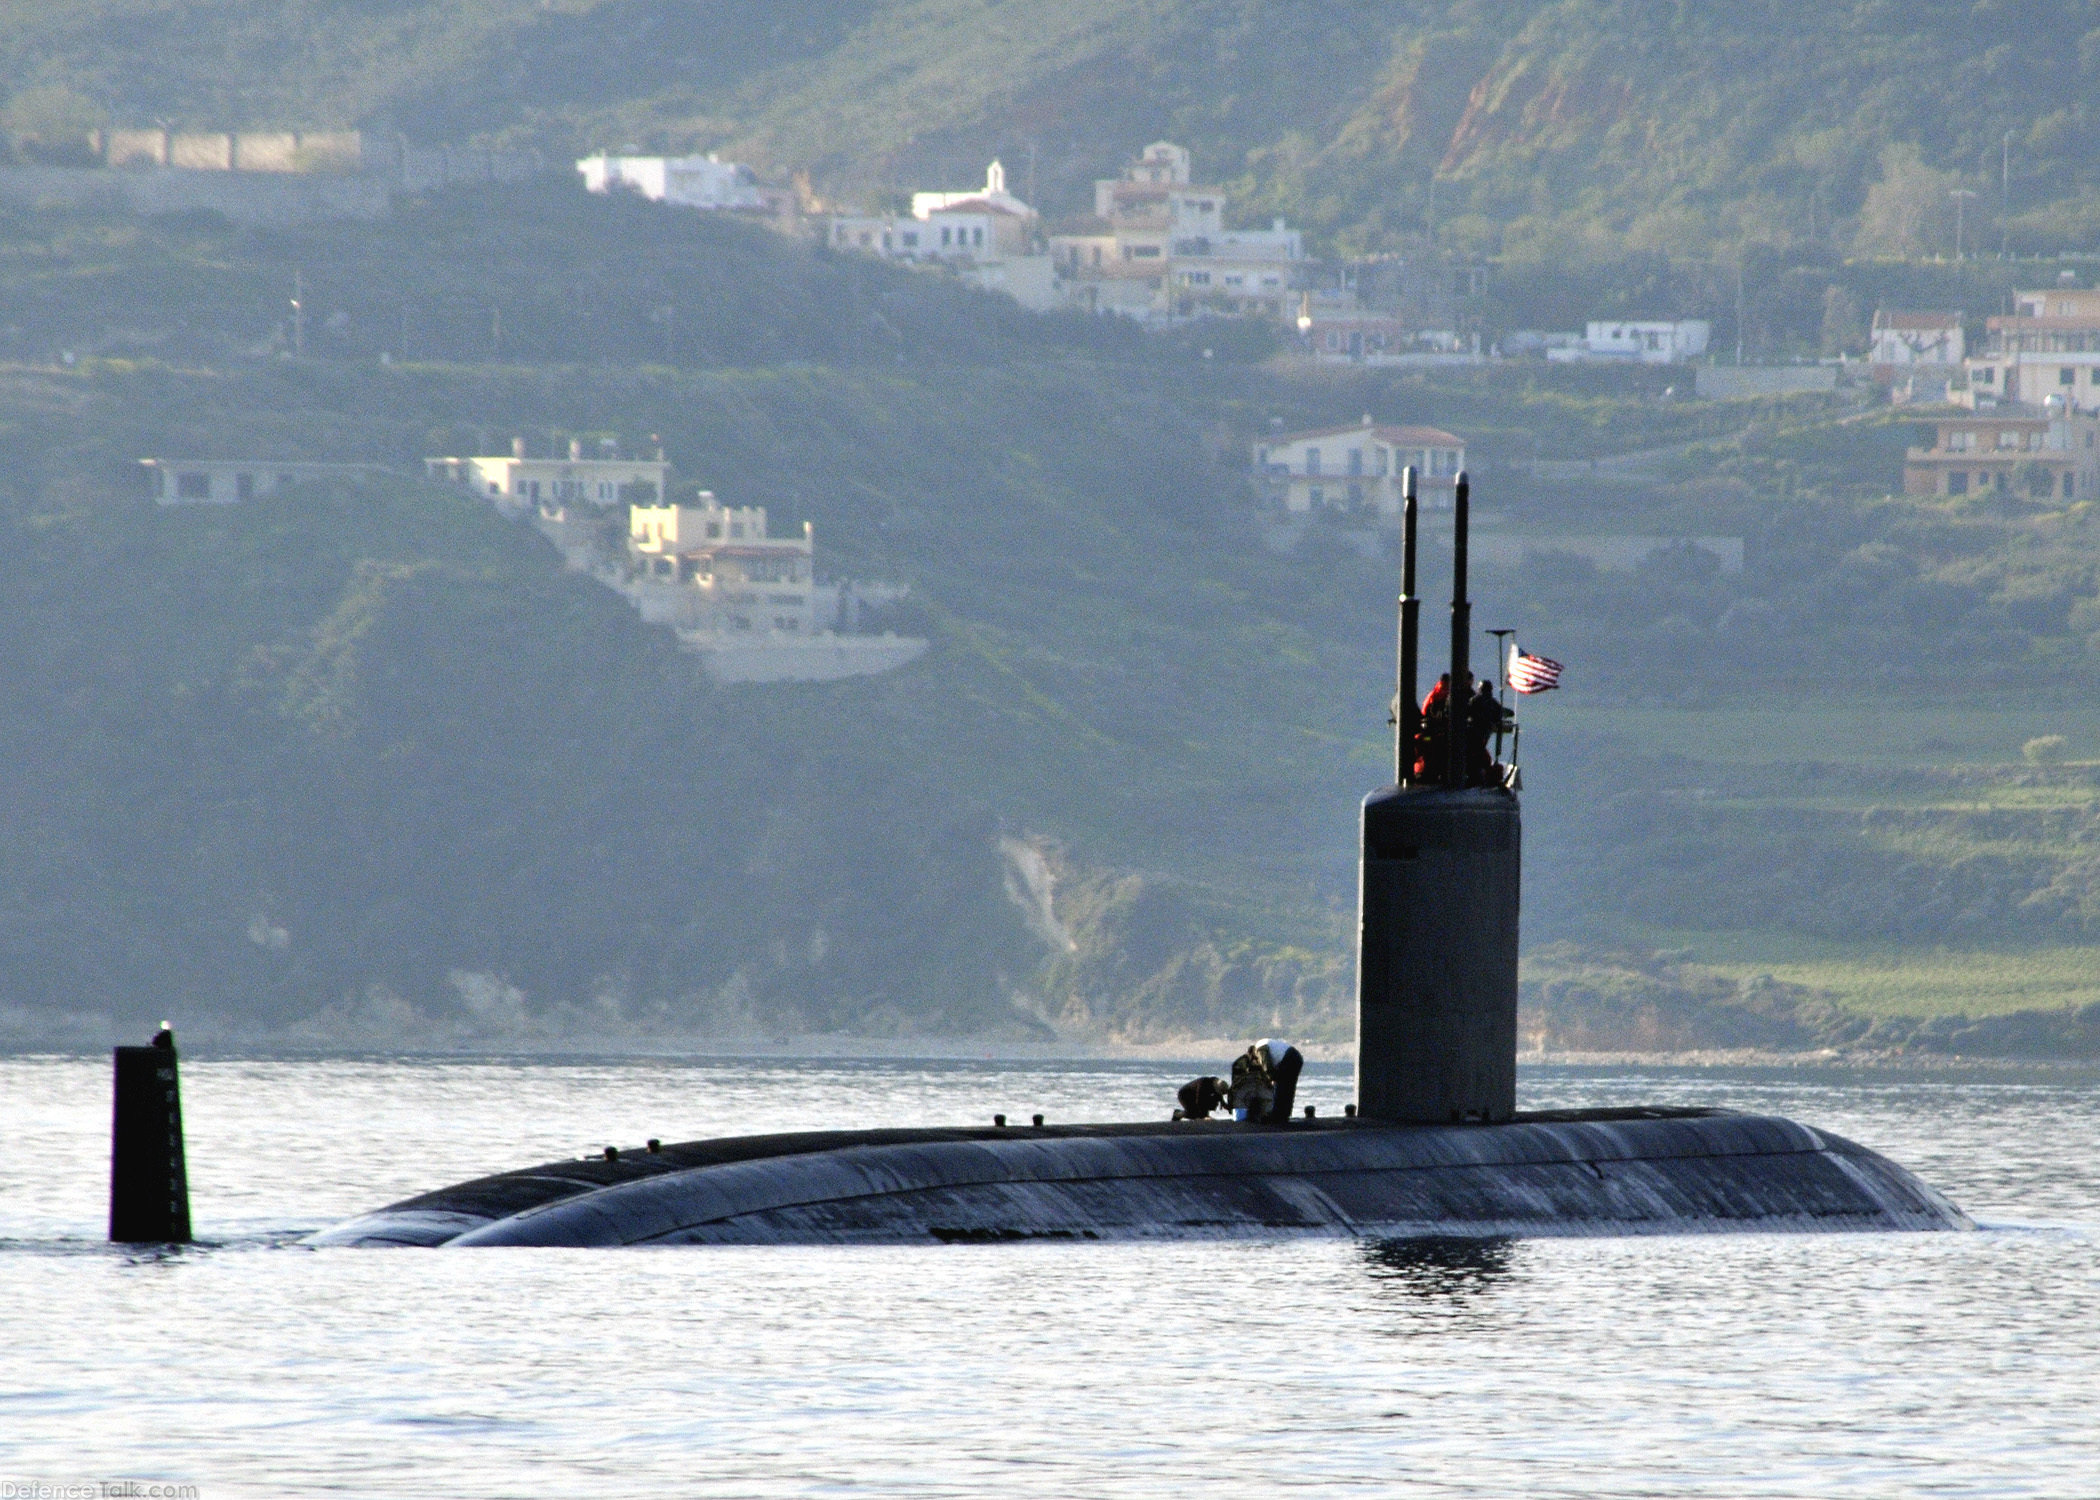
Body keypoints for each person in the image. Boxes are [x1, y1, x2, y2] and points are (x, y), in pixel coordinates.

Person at [1227, 1039, 1304, 1124]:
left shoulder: (1260, 1048)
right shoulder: (1266, 1044)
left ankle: (1277, 1116)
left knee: (1281, 1088)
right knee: (1288, 1089)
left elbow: (1266, 1066)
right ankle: (1284, 1115)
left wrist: (1271, 1079)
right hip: (1296, 1057)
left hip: (1288, 1058)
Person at [1414, 673, 1452, 781]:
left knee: (1428, 742)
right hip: (1440, 734)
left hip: (1430, 734)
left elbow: (1424, 711)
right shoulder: (1449, 694)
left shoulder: (1433, 694)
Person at [1466, 677, 1504, 785]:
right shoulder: (1494, 703)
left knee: (1472, 753)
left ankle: (1473, 775)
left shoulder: (1474, 699)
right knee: (1479, 752)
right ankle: (1478, 774)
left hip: (1473, 732)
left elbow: (1467, 712)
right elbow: (1498, 717)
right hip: (1486, 733)